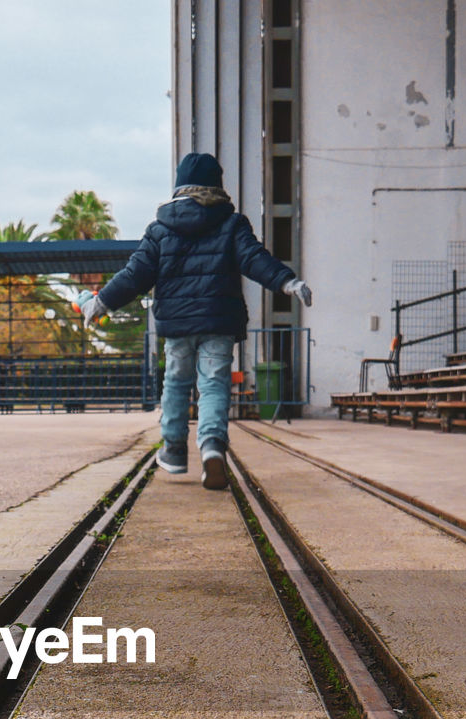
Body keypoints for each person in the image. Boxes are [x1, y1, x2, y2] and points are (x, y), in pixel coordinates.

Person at [82, 152, 311, 490]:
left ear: (179, 187)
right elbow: (254, 258)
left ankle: (174, 451)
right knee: (214, 385)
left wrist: (101, 302)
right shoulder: (232, 224)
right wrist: (287, 281)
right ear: (217, 186)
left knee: (175, 383)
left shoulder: (160, 229)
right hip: (219, 321)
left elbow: (135, 275)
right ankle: (212, 448)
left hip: (177, 325)